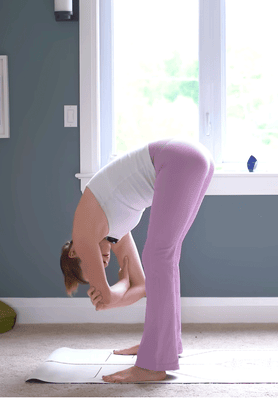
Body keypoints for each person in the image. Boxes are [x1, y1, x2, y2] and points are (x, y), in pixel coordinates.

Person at [60, 138, 214, 383]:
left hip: (175, 159)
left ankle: (152, 365)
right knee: (166, 257)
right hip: (193, 158)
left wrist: (112, 292)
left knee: (158, 256)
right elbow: (143, 286)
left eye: (94, 264)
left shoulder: (83, 234)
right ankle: (165, 346)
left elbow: (110, 296)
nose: (102, 263)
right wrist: (120, 285)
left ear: (74, 253)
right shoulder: (111, 230)